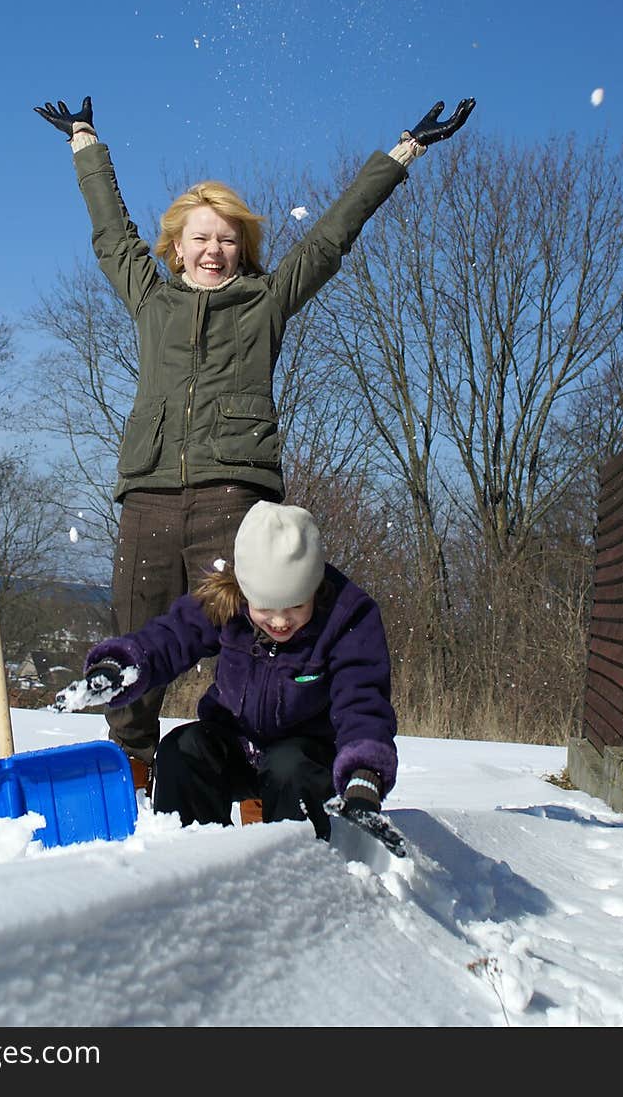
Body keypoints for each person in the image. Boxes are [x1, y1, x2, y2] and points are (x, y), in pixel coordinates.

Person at [35, 90, 475, 791]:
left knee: (255, 633)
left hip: (233, 494)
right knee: (137, 636)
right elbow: (110, 234)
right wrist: (86, 144)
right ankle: (134, 766)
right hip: (148, 492)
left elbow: (332, 234)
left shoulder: (266, 300)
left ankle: (271, 766)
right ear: (175, 245)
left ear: (244, 245)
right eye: (200, 237)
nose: (213, 249)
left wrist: (402, 153)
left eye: (227, 237)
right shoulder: (150, 298)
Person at [55, 500, 398, 841]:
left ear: (314, 588)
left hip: (306, 756)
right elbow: (170, 638)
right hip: (236, 742)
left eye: (295, 606)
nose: (280, 621)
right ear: (244, 591)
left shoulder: (348, 616)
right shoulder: (226, 599)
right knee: (182, 750)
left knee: (290, 767)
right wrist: (122, 664)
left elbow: (362, 699)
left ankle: (294, 869)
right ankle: (191, 858)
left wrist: (363, 774)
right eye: (265, 607)